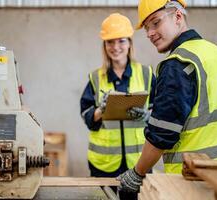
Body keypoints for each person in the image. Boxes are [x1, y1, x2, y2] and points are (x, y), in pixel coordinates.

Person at [117, 0, 217, 194]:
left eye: (155, 23)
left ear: (178, 17)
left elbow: (162, 135)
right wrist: (154, 116)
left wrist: (137, 173)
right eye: (146, 28)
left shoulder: (177, 64)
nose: (150, 33)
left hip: (198, 181)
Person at [80, 13, 156, 199]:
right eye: (110, 42)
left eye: (121, 41)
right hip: (104, 164)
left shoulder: (146, 74)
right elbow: (86, 115)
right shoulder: (96, 78)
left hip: (139, 163)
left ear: (130, 43)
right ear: (104, 46)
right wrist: (101, 110)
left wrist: (148, 116)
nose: (115, 47)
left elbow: (162, 112)